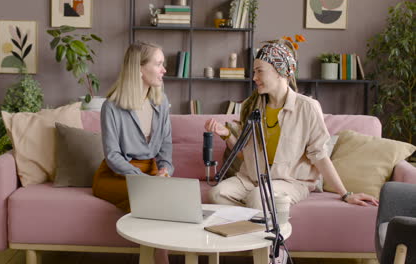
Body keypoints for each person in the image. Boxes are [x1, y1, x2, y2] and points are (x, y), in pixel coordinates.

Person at [205, 39, 379, 211]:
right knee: (216, 194)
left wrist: (345, 194)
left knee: (258, 197)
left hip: (290, 182)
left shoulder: (307, 107)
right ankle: (251, 224)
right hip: (252, 179)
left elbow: (319, 155)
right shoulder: (251, 106)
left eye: (259, 71)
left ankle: (258, 230)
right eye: (254, 71)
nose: (254, 78)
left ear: (280, 71)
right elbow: (245, 155)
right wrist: (226, 134)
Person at [92, 41, 173, 264]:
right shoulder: (112, 106)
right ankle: (161, 259)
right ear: (138, 68)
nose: (164, 70)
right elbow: (113, 155)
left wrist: (165, 170)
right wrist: (144, 180)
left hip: (152, 171)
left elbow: (165, 145)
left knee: (160, 199)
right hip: (116, 174)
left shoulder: (162, 102)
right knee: (151, 200)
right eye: (158, 64)